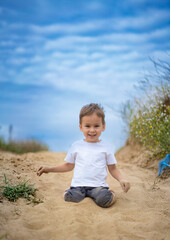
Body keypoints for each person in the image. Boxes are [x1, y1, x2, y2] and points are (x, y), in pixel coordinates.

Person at [37, 103, 130, 208]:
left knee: (104, 200)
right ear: (81, 127)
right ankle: (69, 190)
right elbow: (68, 165)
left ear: (103, 127)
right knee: (71, 198)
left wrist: (121, 179)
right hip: (78, 186)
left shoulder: (106, 147)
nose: (92, 130)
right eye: (87, 126)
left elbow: (113, 168)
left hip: (98, 187)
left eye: (96, 126)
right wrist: (48, 169)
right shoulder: (76, 146)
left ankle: (111, 193)